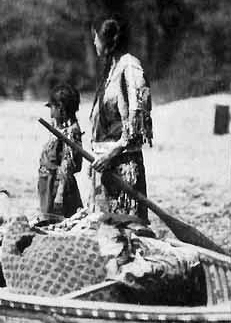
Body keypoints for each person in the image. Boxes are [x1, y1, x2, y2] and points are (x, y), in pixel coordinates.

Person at [89, 17, 153, 220]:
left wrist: (110, 155)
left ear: (106, 40)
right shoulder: (112, 69)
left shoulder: (130, 68)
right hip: (104, 168)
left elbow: (137, 125)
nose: (94, 43)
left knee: (125, 236)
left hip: (122, 169)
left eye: (96, 38)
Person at [37, 83, 83, 217]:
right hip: (48, 184)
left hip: (56, 187)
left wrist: (59, 195)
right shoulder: (58, 128)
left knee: (56, 219)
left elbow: (67, 165)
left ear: (61, 108)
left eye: (52, 108)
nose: (51, 114)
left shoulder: (71, 132)